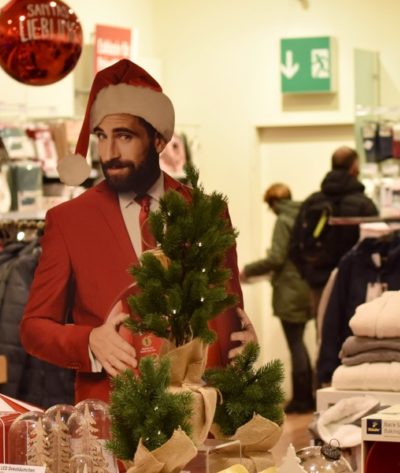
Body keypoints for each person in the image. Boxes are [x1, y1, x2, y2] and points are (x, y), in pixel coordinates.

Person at [20, 59, 255, 403]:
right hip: (112, 418)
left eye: (124, 137)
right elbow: (34, 327)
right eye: (101, 137)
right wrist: (88, 341)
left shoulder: (207, 211)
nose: (109, 153)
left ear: (159, 140)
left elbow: (228, 311)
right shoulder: (70, 221)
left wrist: (243, 345)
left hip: (199, 411)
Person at [239, 183, 315, 413]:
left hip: (289, 289)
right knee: (300, 342)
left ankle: (302, 399)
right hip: (305, 286)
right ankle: (308, 395)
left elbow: (276, 258)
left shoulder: (283, 220)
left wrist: (248, 270)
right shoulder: (304, 215)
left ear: (273, 203)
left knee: (295, 344)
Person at [290, 146, 378, 316]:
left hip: (319, 283)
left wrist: (309, 275)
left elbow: (294, 244)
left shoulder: (312, 201)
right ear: (354, 167)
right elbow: (377, 245)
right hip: (356, 283)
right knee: (357, 335)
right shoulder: (364, 204)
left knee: (323, 336)